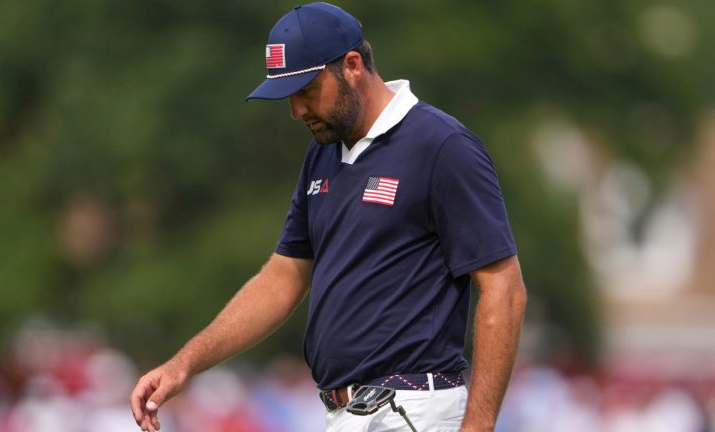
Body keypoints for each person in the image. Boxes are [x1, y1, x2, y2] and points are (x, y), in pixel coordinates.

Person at [130, 3, 527, 431]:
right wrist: (184, 365)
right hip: (344, 413)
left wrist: (479, 426)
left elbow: (504, 289)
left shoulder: (441, 146)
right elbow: (282, 278)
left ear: (352, 66)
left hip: (413, 410)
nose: (297, 111)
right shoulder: (322, 153)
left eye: (306, 90)